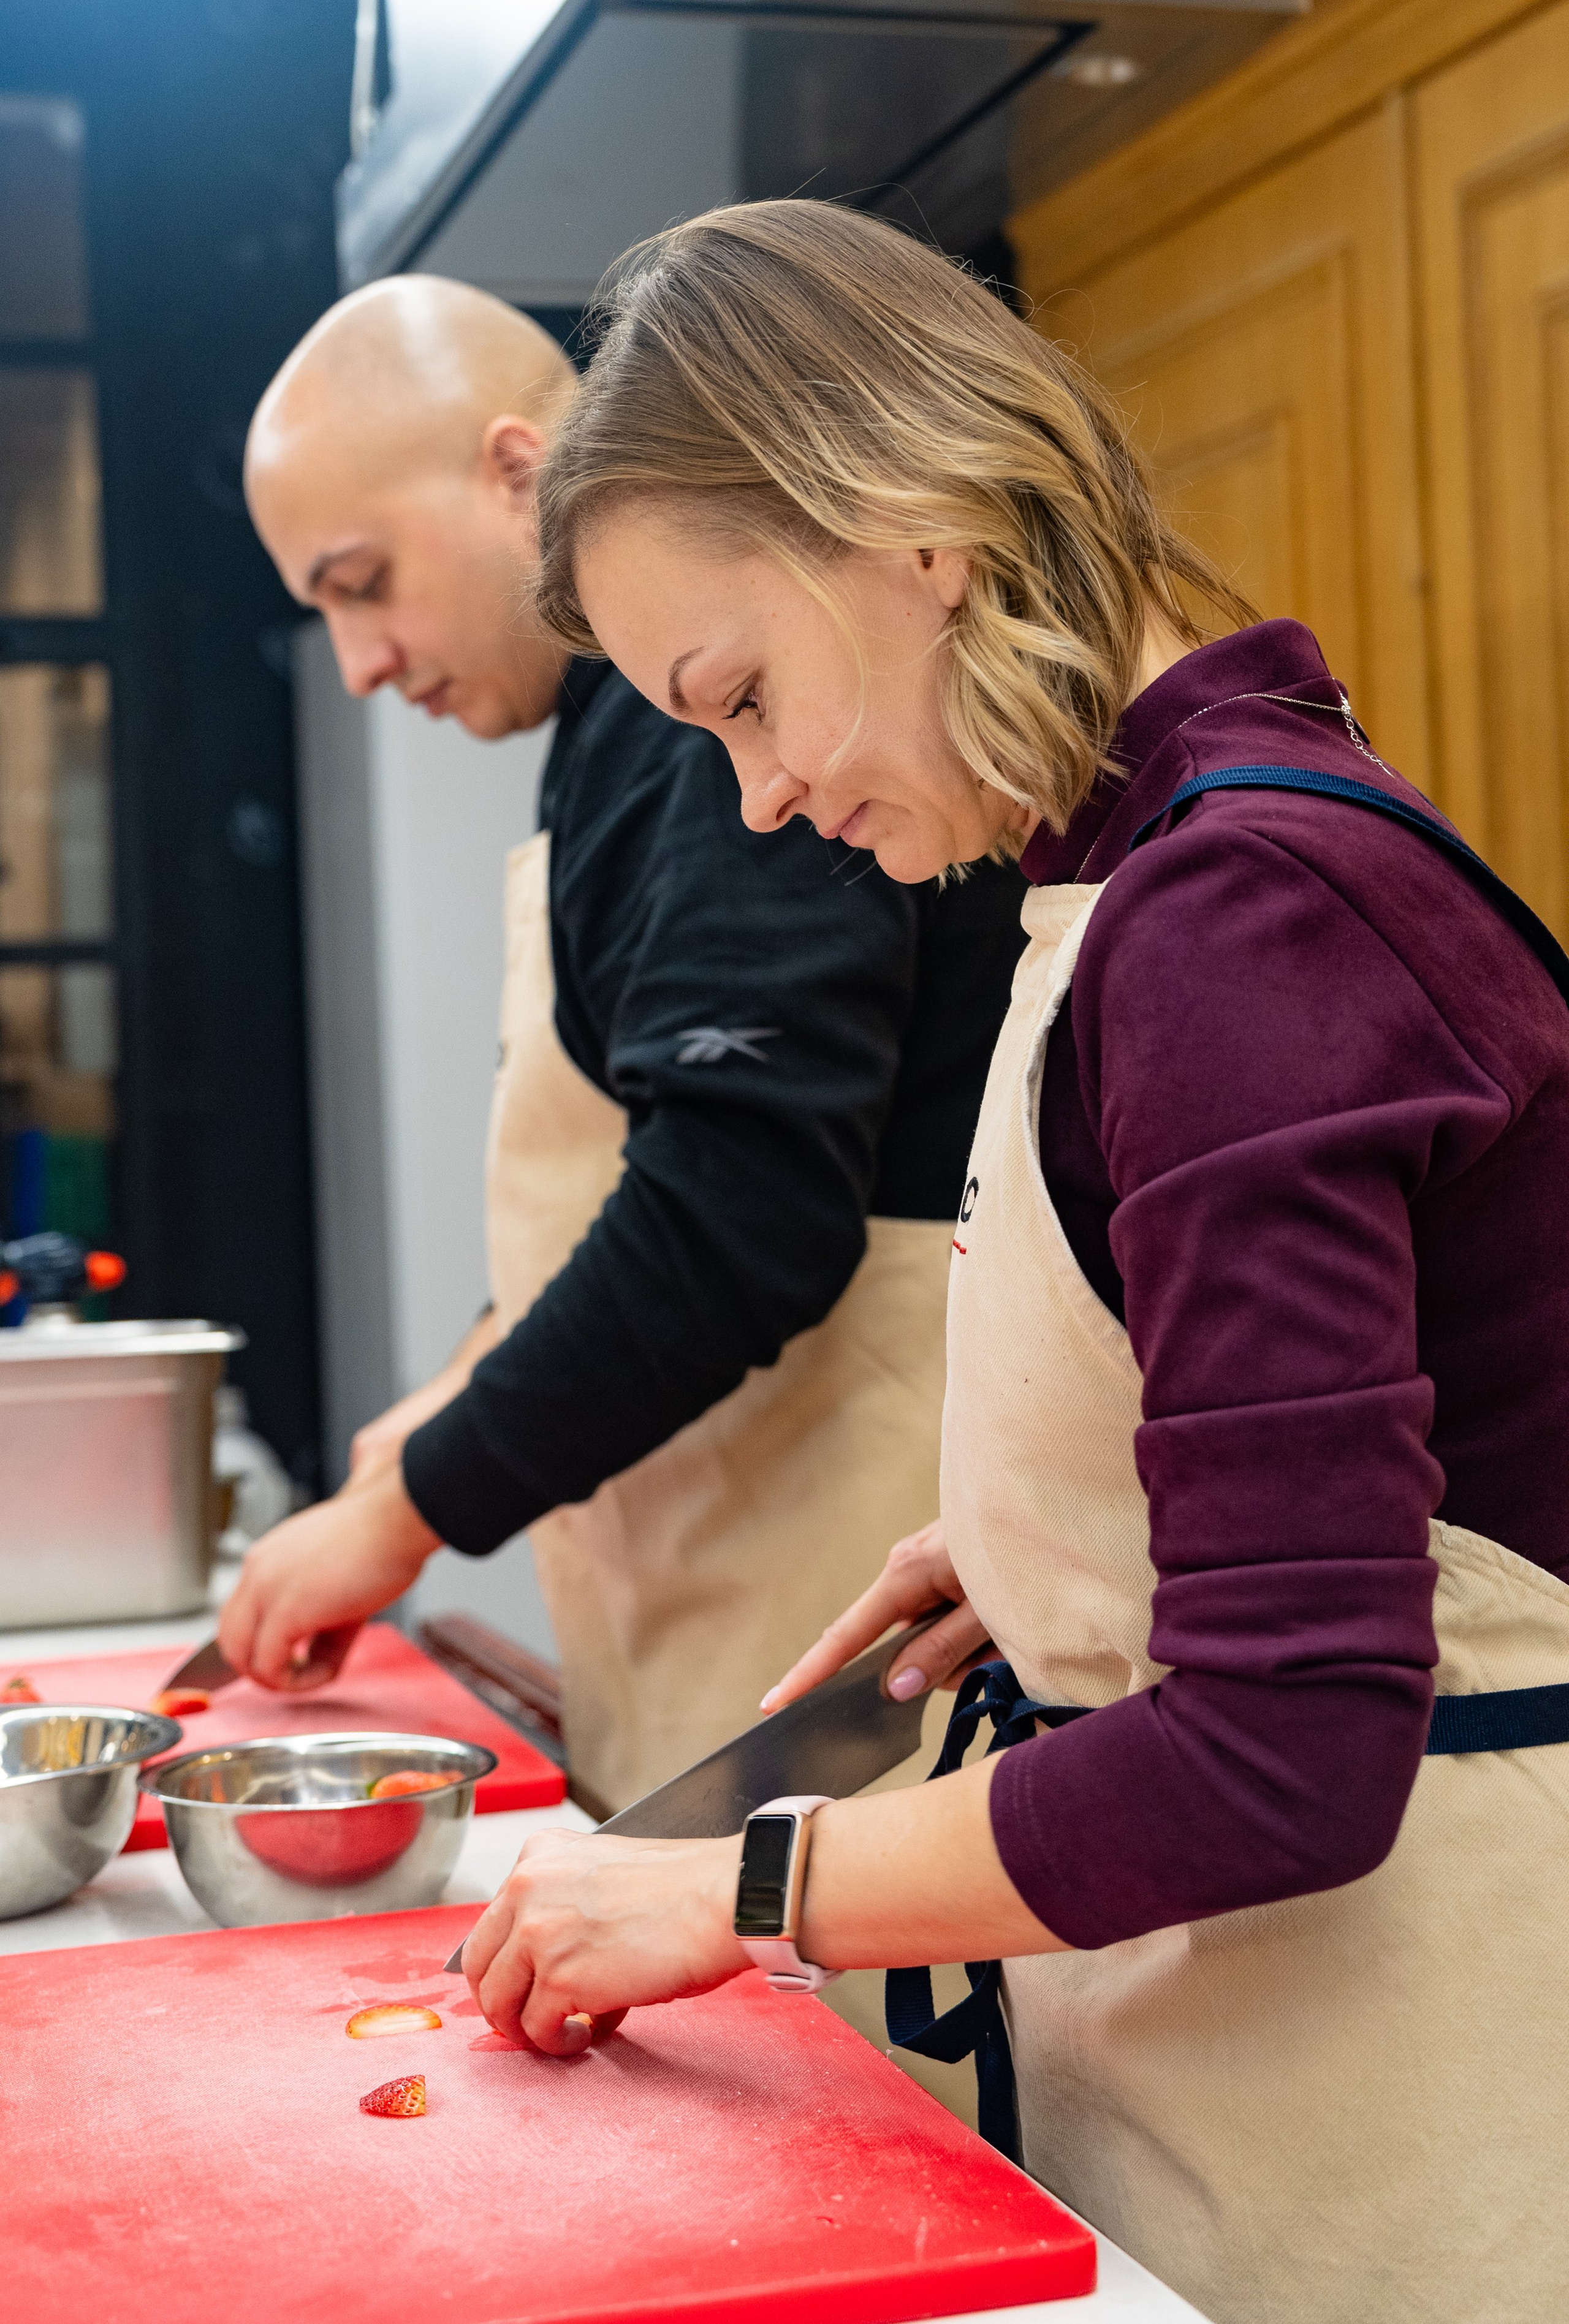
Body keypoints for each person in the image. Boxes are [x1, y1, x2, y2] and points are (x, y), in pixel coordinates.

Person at [449, 202, 1569, 2324]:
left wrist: (744, 1891)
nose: (763, 797)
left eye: (746, 694)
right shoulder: (1145, 872)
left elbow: (1286, 1748)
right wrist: (1065, 1534)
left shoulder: (1236, 920)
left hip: (1414, 2140)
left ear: (913, 524)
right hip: (1253, 2080)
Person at [229, 274, 1027, 1846]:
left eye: (361, 581)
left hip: (830, 1617)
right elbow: (644, 1156)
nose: (359, 664)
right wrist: (458, 1385)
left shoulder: (680, 736)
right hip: (718, 1622)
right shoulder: (615, 750)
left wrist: (407, 1506)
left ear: (519, 473)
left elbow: (740, 1201)